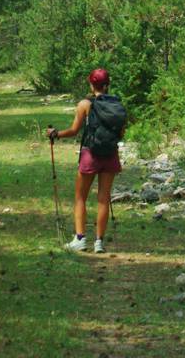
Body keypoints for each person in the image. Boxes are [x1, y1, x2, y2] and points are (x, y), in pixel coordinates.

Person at [47, 68, 126, 253]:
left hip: (90, 154)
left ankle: (80, 239)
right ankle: (99, 242)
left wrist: (56, 134)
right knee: (103, 199)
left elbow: (74, 131)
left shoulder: (84, 104)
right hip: (110, 154)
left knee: (80, 196)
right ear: (107, 85)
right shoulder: (117, 105)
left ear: (91, 84)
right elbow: (121, 133)